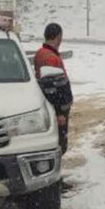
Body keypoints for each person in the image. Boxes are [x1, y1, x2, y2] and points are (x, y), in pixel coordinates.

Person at [34, 22, 73, 151]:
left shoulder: (41, 52)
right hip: (57, 108)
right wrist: (59, 113)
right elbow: (51, 87)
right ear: (58, 36)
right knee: (59, 144)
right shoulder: (50, 58)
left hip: (52, 105)